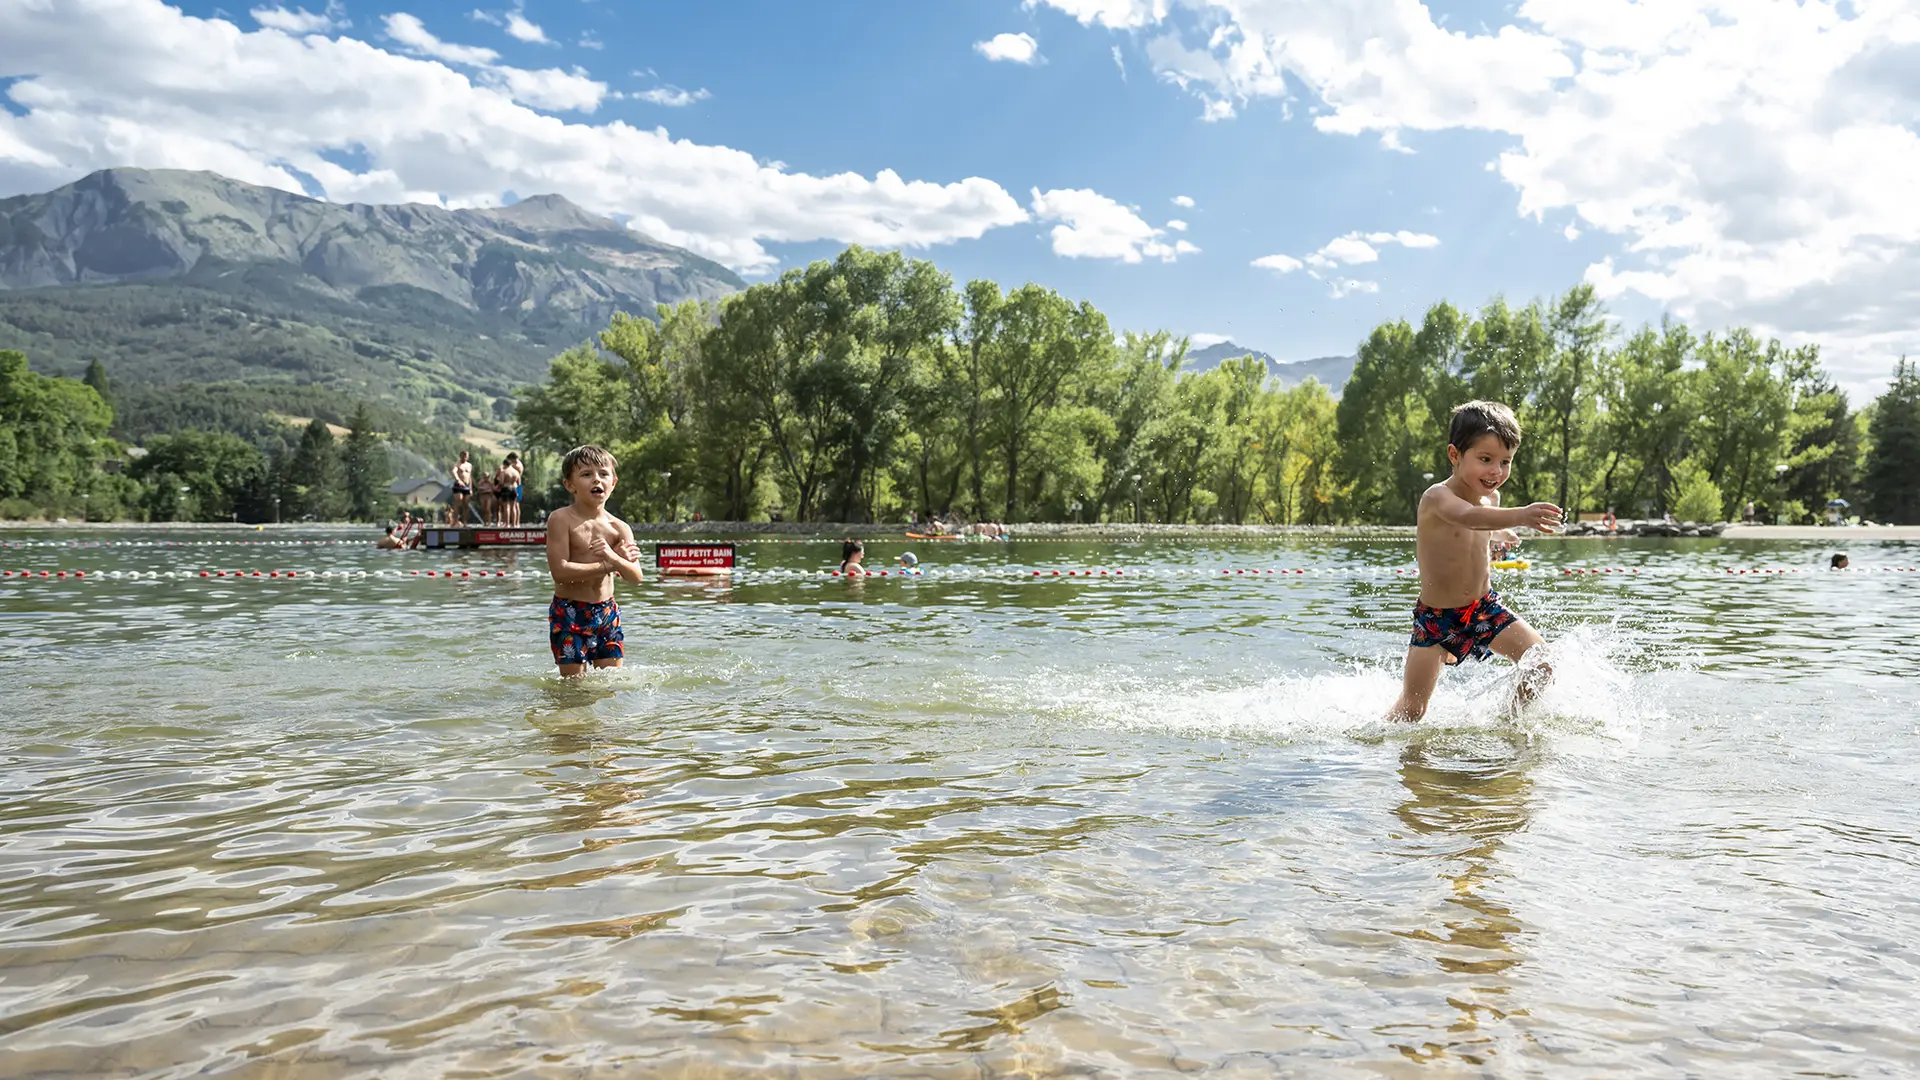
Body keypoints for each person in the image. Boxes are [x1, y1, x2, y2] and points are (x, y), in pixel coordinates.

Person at [1387, 400, 1564, 723]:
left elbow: (1480, 523)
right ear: (1455, 455)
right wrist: (1521, 515)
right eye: (1485, 459)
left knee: (1543, 664)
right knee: (1413, 710)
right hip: (1436, 620)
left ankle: (1508, 723)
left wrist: (1501, 534)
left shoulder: (1491, 500)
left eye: (1505, 462)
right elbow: (1468, 517)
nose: (1496, 471)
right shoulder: (1436, 497)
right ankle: (1372, 753)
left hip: (1484, 609)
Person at [545, 445, 644, 677]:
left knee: (610, 686)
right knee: (574, 689)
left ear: (614, 482)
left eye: (603, 473)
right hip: (570, 611)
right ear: (570, 485)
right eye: (586, 474)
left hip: (607, 612)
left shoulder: (620, 528)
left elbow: (636, 577)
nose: (596, 480)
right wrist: (610, 563)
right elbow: (560, 571)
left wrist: (612, 557)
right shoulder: (561, 519)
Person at [449, 451, 473, 526]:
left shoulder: (469, 465)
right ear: (460, 456)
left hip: (467, 486)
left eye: (466, 456)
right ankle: (455, 521)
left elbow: (470, 477)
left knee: (466, 505)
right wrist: (458, 480)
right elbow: (454, 472)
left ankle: (465, 522)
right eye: (463, 455)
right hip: (458, 485)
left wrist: (471, 488)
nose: (465, 457)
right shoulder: (457, 464)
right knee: (458, 502)